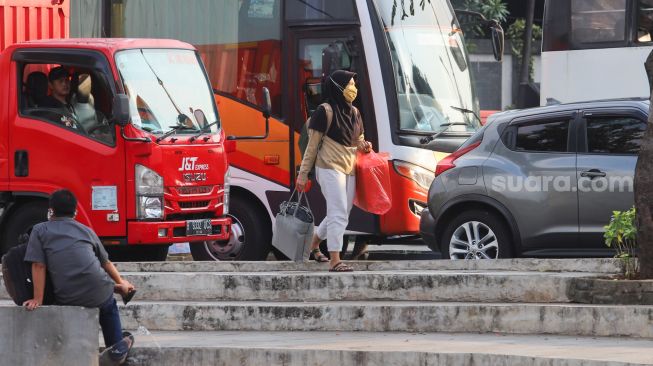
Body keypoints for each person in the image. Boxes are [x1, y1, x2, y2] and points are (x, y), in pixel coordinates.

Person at [23, 189, 136, 364]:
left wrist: (37, 298)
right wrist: (121, 282)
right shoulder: (86, 230)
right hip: (99, 290)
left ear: (51, 210)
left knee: (88, 287)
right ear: (75, 211)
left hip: (67, 295)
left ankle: (115, 343)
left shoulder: (40, 230)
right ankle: (115, 346)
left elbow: (38, 265)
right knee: (108, 304)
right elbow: (106, 263)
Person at [297, 69, 372, 272]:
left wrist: (364, 146)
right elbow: (312, 147)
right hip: (329, 167)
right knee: (338, 211)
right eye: (349, 85)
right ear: (338, 87)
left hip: (350, 168)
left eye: (354, 85)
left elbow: (358, 140)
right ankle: (335, 260)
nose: (353, 89)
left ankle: (313, 244)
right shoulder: (325, 111)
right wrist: (303, 175)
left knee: (342, 212)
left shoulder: (355, 112)